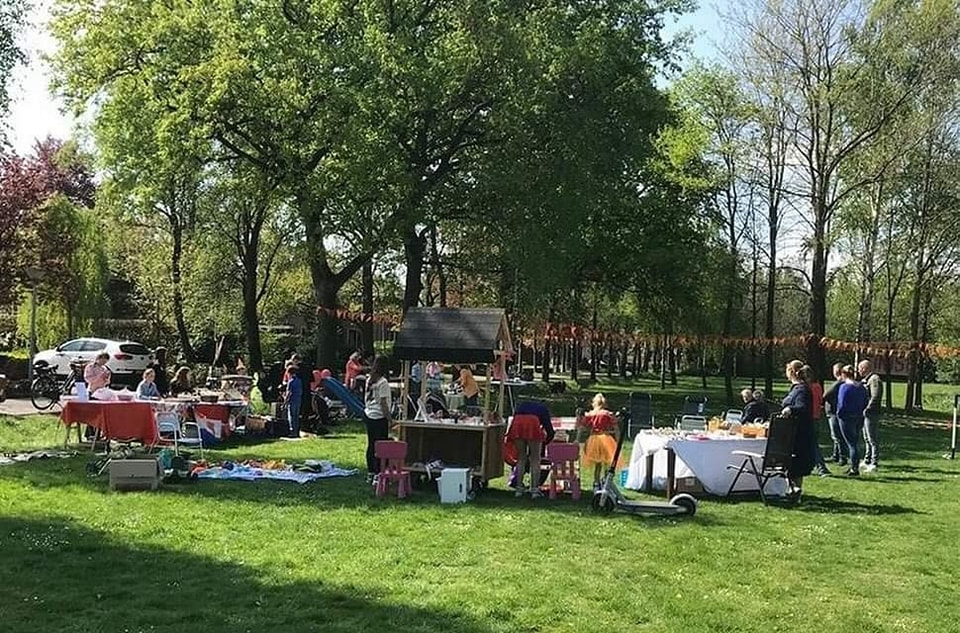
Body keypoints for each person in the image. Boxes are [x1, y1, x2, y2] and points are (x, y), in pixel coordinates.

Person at [507, 400, 556, 498]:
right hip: (532, 423)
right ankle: (534, 490)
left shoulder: (522, 405)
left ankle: (519, 489)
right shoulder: (543, 410)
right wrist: (545, 441)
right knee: (535, 459)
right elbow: (550, 430)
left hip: (518, 422)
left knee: (521, 457)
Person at [780, 360, 815, 497]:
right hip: (791, 431)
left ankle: (795, 491)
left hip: (799, 433)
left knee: (796, 462)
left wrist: (790, 409)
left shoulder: (802, 389)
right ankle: (791, 490)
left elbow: (802, 407)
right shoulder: (796, 389)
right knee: (792, 463)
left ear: (792, 372)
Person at [363, 356, 392, 484]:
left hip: (369, 413)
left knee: (371, 444)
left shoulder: (369, 379)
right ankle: (378, 472)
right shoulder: (383, 382)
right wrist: (389, 418)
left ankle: (370, 472)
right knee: (381, 446)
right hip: (380, 416)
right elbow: (384, 403)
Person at [581, 393, 619, 490]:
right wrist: (618, 440)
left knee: (598, 464)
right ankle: (606, 482)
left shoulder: (591, 414)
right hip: (606, 438)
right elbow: (616, 428)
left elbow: (583, 426)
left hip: (594, 438)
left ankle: (596, 483)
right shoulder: (608, 414)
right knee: (607, 463)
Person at [837, 364, 868, 477]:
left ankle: (854, 468)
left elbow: (841, 404)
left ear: (844, 374)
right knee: (855, 441)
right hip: (859, 416)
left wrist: (839, 415)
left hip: (846, 417)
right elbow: (865, 402)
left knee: (851, 443)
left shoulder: (844, 387)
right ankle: (853, 466)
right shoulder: (861, 387)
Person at [803, 365, 830, 477]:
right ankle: (811, 465)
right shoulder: (818, 386)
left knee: (812, 444)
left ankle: (822, 468)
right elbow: (820, 401)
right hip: (817, 416)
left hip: (809, 417)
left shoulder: (806, 387)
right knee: (812, 443)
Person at [858, 359, 883, 472]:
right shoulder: (866, 380)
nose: (858, 371)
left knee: (872, 438)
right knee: (866, 438)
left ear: (865, 368)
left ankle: (874, 462)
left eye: (860, 369)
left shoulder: (874, 379)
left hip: (871, 413)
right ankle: (867, 459)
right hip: (865, 412)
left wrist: (868, 408)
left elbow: (876, 396)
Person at [822, 362, 846, 465]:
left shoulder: (838, 383)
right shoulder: (842, 382)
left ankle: (842, 457)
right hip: (835, 411)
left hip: (834, 412)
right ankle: (836, 455)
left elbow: (826, 395)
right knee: (836, 436)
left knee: (837, 436)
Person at [284, 360, 303, 437]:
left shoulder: (290, 382)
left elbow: (288, 393)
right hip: (298, 400)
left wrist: (285, 402)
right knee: (296, 416)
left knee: (291, 416)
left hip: (292, 401)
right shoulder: (299, 381)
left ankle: (292, 431)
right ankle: (297, 431)